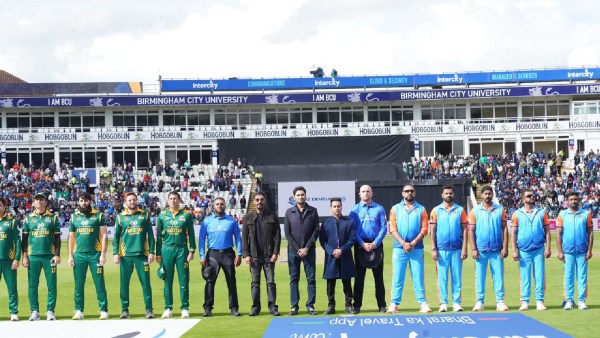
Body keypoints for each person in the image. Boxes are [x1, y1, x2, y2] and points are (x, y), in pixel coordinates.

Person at [387, 184, 432, 314]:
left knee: (418, 277)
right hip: (399, 249)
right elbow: (392, 229)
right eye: (406, 191)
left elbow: (424, 229)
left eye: (411, 191)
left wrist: (412, 243)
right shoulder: (395, 209)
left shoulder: (421, 209)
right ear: (402, 193)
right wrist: (403, 243)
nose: (409, 193)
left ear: (415, 193)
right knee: (398, 277)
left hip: (416, 248)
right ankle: (394, 304)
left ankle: (423, 303)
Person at [113, 192, 156, 319]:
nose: (132, 202)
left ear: (137, 201)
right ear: (125, 202)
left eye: (134, 200)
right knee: (124, 284)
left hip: (142, 255)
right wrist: (116, 253)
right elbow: (116, 237)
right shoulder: (120, 217)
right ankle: (125, 309)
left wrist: (152, 252)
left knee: (146, 283)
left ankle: (149, 309)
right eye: (129, 200)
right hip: (126, 256)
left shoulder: (144, 215)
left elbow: (151, 236)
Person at [67, 192, 109, 320]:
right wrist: (70, 255)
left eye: (85, 200)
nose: (83, 203)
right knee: (78, 284)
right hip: (79, 255)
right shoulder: (74, 217)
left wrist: (103, 254)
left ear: (90, 202)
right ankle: (78, 310)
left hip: (95, 255)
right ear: (78, 202)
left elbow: (104, 235)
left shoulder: (98, 215)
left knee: (99, 283)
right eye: (81, 201)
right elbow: (71, 237)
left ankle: (103, 310)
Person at [199, 197, 242, 317]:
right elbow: (202, 239)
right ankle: (207, 308)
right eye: (217, 204)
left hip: (228, 254)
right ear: (213, 206)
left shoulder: (231, 221)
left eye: (222, 204)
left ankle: (234, 308)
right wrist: (202, 256)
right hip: (213, 254)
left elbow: (238, 238)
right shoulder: (207, 221)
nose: (219, 206)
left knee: (231, 281)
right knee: (210, 281)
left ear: (225, 206)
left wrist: (239, 254)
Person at [156, 191, 196, 319]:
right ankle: (168, 308)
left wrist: (192, 250)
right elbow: (158, 237)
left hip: (181, 249)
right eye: (171, 198)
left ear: (179, 200)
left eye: (175, 198)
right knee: (167, 280)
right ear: (168, 201)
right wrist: (158, 254)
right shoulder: (162, 216)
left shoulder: (186, 215)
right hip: (167, 249)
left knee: (183, 280)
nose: (173, 201)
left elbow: (191, 233)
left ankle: (185, 308)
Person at [510, 188, 551, 311]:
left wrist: (548, 247)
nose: (531, 197)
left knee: (539, 276)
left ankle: (540, 301)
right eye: (528, 196)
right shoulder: (517, 213)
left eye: (532, 196)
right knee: (525, 277)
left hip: (538, 249)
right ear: (523, 199)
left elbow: (547, 231)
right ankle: (525, 301)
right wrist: (514, 250)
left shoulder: (541, 212)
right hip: (523, 250)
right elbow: (513, 233)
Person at [469, 185, 509, 312]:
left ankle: (500, 301)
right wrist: (474, 249)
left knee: (498, 277)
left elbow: (505, 229)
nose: (487, 196)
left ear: (492, 195)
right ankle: (479, 302)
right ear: (481, 195)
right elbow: (471, 231)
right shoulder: (475, 211)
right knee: (480, 277)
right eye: (485, 194)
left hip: (496, 250)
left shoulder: (500, 210)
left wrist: (505, 247)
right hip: (481, 250)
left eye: (489, 193)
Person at [22, 192, 61, 321]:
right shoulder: (28, 219)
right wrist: (25, 256)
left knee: (52, 285)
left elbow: (57, 238)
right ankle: (34, 311)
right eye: (37, 200)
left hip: (49, 256)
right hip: (33, 256)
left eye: (41, 199)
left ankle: (50, 310)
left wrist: (57, 255)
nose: (39, 202)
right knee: (32, 285)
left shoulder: (53, 218)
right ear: (33, 203)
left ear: (45, 202)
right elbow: (24, 239)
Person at [429, 185, 468, 312]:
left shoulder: (460, 210)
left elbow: (465, 230)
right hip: (441, 249)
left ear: (453, 194)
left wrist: (464, 248)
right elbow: (433, 231)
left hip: (457, 249)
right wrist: (434, 249)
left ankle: (456, 303)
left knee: (457, 277)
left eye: (450, 193)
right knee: (442, 278)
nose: (448, 195)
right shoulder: (436, 210)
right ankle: (443, 303)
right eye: (446, 193)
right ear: (442, 195)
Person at [242, 191, 281, 316]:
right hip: (254, 257)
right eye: (257, 200)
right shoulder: (248, 217)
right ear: (254, 202)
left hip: (269, 256)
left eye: (261, 199)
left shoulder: (272, 216)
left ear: (265, 201)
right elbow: (244, 238)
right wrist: (246, 254)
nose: (259, 202)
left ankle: (272, 307)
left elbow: (278, 236)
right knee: (255, 283)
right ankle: (255, 307)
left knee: (270, 282)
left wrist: (275, 252)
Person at [349, 185, 387, 313]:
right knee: (359, 277)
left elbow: (384, 227)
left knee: (378, 277)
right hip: (361, 246)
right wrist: (362, 243)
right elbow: (352, 230)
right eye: (363, 191)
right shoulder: (354, 210)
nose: (366, 193)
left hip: (376, 245)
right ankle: (357, 305)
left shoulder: (379, 208)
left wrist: (376, 243)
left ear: (372, 193)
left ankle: (382, 305)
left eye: (368, 191)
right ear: (359, 194)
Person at [284, 186, 320, 316]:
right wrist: (297, 248)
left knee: (311, 279)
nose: (300, 197)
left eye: (302, 194)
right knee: (294, 278)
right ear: (294, 197)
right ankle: (294, 306)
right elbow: (287, 233)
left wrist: (306, 248)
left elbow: (316, 231)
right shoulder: (289, 212)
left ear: (306, 196)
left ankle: (310, 305)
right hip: (294, 252)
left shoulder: (313, 211)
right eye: (298, 195)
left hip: (309, 251)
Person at [556, 191, 594, 310]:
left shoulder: (585, 214)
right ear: (567, 201)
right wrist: (560, 251)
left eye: (575, 199)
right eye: (571, 199)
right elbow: (558, 234)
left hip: (582, 250)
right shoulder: (562, 214)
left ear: (579, 200)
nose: (573, 201)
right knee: (568, 276)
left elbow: (590, 233)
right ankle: (569, 300)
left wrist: (589, 250)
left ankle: (581, 301)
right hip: (568, 251)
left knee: (582, 277)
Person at [320, 198, 356, 315]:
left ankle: (348, 305)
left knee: (347, 282)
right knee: (331, 283)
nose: (337, 208)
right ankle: (331, 305)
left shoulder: (348, 222)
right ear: (331, 208)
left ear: (341, 207)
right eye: (334, 206)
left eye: (338, 206)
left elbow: (352, 239)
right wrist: (332, 251)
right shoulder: (326, 223)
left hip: (345, 256)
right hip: (331, 257)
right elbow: (323, 241)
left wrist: (342, 250)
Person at [0, 198, 21, 321]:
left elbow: (18, 241)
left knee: (12, 287)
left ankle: (13, 312)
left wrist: (16, 258)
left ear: (4, 207)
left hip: (8, 260)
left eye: (0, 205)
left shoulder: (11, 222)